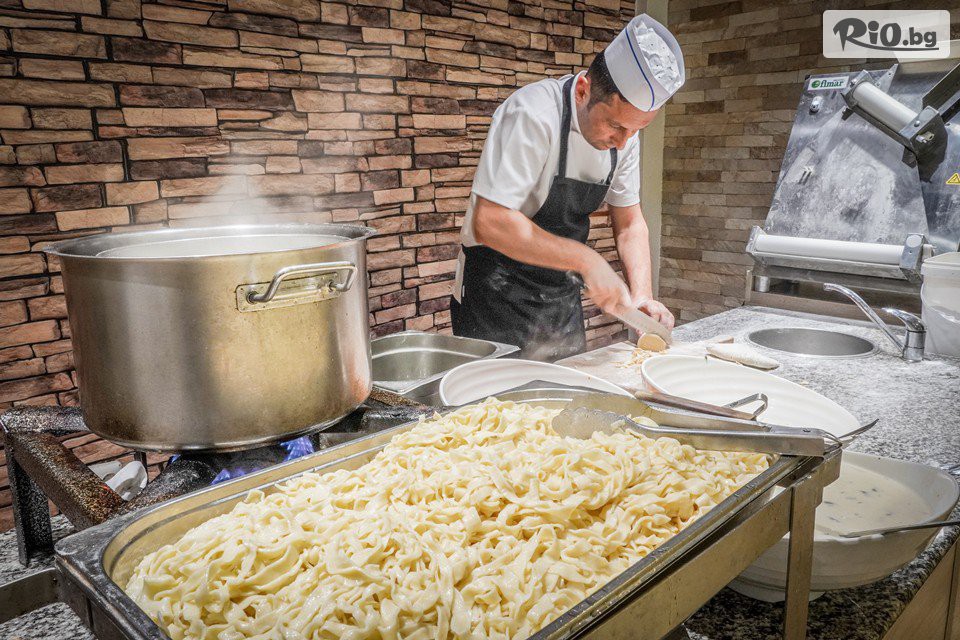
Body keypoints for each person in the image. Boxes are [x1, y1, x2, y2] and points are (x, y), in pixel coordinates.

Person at [450, 14, 684, 361]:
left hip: (560, 300)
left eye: (635, 130)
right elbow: (491, 221)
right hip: (494, 295)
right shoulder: (532, 114)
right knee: (499, 396)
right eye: (615, 126)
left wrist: (641, 296)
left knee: (567, 390)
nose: (623, 141)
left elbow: (630, 223)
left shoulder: (625, 139)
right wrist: (587, 260)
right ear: (583, 90)